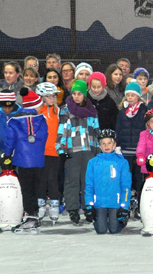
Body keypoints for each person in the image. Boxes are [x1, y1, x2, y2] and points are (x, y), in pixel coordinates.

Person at [3, 88, 48, 234]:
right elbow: (44, 138)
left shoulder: (13, 122)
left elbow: (9, 141)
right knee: (36, 187)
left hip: (22, 161)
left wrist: (7, 155)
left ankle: (30, 217)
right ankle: (34, 214)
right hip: (39, 161)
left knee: (26, 189)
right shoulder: (42, 120)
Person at [57, 80, 99, 224]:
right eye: (74, 93)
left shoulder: (91, 110)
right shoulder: (65, 110)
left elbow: (96, 129)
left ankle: (88, 207)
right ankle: (73, 208)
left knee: (87, 181)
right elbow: (61, 130)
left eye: (79, 94)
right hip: (72, 150)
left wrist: (98, 149)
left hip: (88, 150)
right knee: (72, 180)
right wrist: (61, 148)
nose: (76, 96)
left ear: (85, 94)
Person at [84, 129, 132, 234]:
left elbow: (126, 186)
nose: (106, 146)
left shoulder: (122, 162)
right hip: (100, 202)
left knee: (114, 229)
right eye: (103, 143)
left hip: (116, 202)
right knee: (101, 230)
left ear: (114, 144)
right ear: (99, 146)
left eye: (109, 143)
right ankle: (99, 219)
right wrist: (89, 205)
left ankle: (122, 220)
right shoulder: (92, 162)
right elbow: (89, 185)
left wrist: (124, 206)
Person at [32, 82, 62, 224]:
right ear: (42, 97)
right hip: (40, 152)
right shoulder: (38, 112)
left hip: (54, 152)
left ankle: (55, 204)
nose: (52, 99)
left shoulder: (59, 112)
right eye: (48, 96)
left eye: (53, 96)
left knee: (53, 179)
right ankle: (41, 204)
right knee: (41, 179)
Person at [116, 82, 148, 211]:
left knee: (139, 178)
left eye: (133, 95)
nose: (130, 98)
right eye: (128, 95)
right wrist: (117, 145)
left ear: (138, 97)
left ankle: (140, 203)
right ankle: (126, 202)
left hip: (139, 151)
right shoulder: (122, 111)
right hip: (125, 150)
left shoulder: (144, 111)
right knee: (126, 178)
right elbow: (118, 129)